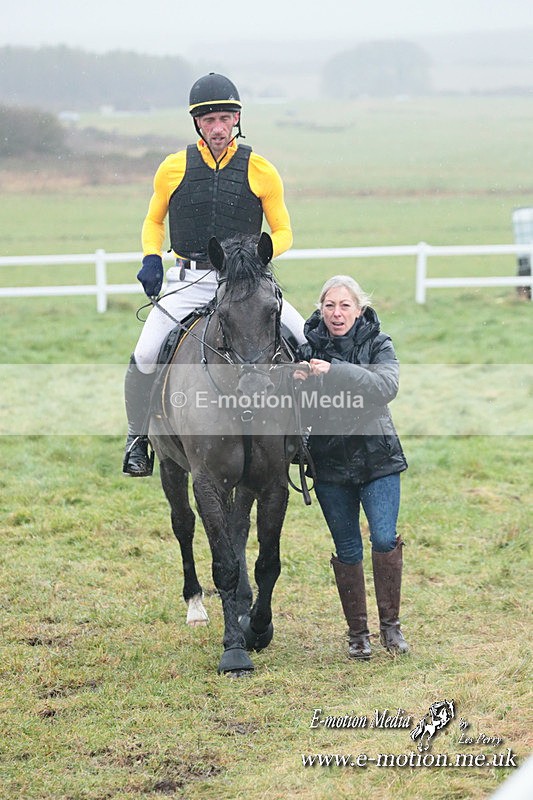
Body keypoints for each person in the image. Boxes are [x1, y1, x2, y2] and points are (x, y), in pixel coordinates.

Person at [123, 72, 305, 476]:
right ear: (197, 124)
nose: (218, 128)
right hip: (190, 279)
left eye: (225, 118)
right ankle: (138, 439)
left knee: (304, 339)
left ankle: (307, 437)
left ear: (236, 119)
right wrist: (152, 257)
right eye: (209, 121)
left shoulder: (261, 169)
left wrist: (258, 256)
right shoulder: (172, 168)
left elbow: (284, 231)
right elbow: (153, 221)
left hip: (245, 281)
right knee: (146, 353)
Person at [294, 275, 409, 659]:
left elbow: (384, 387)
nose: (337, 313)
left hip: (378, 458)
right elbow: (299, 407)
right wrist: (297, 383)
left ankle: (391, 629)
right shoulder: (306, 347)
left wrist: (334, 370)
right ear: (320, 309)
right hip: (329, 464)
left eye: (345, 306)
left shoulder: (379, 343)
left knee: (382, 537)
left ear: (358, 309)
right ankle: (358, 635)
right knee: (347, 549)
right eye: (330, 306)